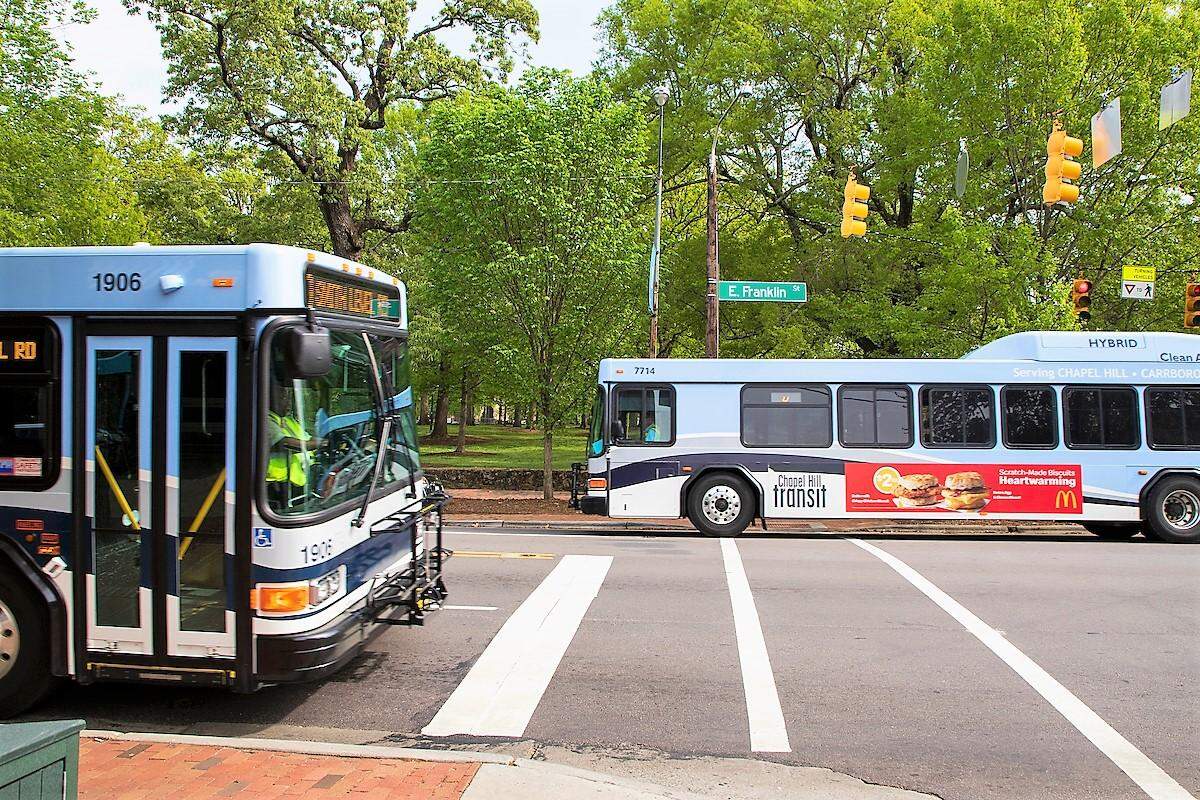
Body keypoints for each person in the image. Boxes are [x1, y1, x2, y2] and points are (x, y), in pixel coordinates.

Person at [267, 382, 324, 507]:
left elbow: (308, 439)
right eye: (282, 397)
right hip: (275, 488)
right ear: (269, 398)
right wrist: (320, 443)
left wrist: (326, 439)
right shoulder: (266, 419)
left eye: (288, 396)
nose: (287, 401)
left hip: (296, 487)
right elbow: (284, 443)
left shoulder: (288, 421)